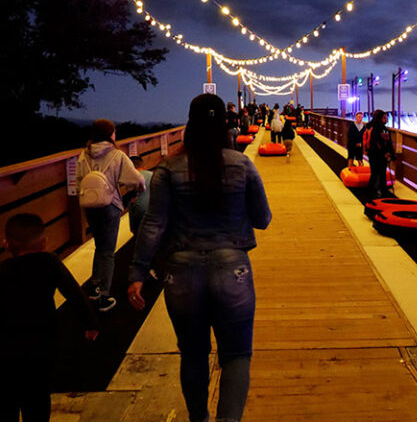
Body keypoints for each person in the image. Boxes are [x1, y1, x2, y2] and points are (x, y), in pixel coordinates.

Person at [128, 94, 271, 422]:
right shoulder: (242, 164)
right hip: (232, 270)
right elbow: (262, 218)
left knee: (192, 354)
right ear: (225, 125)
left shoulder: (167, 169)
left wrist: (137, 272)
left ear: (189, 125)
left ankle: (199, 419)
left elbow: (154, 223)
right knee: (236, 356)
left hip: (182, 273)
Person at [0, 213, 99, 422]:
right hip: (40, 349)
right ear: (44, 242)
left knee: (0, 407)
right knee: (37, 403)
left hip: (2, 356)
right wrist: (90, 323)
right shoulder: (49, 263)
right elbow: (74, 293)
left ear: (6, 244)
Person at [76, 119, 145, 312]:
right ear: (110, 135)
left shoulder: (83, 155)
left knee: (99, 246)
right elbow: (136, 179)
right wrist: (136, 191)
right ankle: (103, 296)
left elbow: (77, 181)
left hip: (89, 206)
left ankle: (95, 287)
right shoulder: (117, 155)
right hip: (110, 205)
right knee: (108, 252)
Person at [367, 109, 396, 200]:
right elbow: (377, 143)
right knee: (376, 174)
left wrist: (390, 153)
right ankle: (373, 192)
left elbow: (388, 143)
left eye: (387, 118)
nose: (386, 120)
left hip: (377, 155)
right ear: (379, 118)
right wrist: (386, 153)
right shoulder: (376, 129)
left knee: (380, 174)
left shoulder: (380, 128)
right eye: (384, 118)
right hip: (376, 155)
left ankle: (380, 191)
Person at [128, 156, 154, 234]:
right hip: (156, 211)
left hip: (141, 213)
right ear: (143, 166)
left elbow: (131, 202)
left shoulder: (131, 180)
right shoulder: (153, 175)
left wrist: (132, 227)